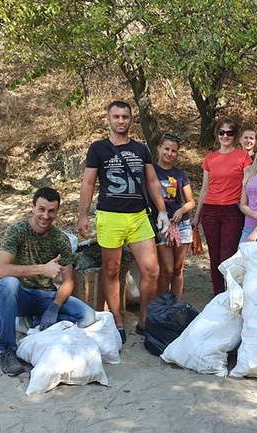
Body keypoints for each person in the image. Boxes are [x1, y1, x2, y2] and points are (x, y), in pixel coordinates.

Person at [77, 100, 170, 342]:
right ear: (108, 119)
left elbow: (152, 182)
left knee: (152, 270)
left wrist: (162, 212)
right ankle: (117, 320)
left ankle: (144, 318)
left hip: (139, 216)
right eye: (116, 116)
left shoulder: (141, 149)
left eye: (125, 117)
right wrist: (83, 214)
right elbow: (88, 183)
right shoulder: (98, 148)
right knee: (111, 270)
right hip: (110, 216)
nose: (121, 121)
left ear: (131, 119)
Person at [0, 187, 97, 376]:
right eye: (41, 209)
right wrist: (41, 269)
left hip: (46, 297)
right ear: (33, 207)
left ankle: (37, 321)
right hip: (21, 295)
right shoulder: (17, 231)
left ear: (57, 212)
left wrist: (55, 307)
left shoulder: (60, 239)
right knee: (8, 284)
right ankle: (7, 350)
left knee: (88, 316)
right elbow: (0, 270)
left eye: (51, 211)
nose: (45, 215)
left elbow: (68, 281)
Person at [192, 117, 251, 294]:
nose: (225, 136)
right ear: (217, 134)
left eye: (230, 133)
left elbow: (246, 185)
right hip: (210, 210)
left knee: (228, 255)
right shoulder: (210, 159)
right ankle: (218, 296)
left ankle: (231, 293)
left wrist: (244, 207)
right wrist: (197, 215)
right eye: (222, 132)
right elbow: (204, 188)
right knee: (214, 257)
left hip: (232, 210)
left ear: (235, 136)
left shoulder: (243, 157)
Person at [153, 133, 195, 299]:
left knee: (178, 269)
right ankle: (162, 304)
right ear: (159, 148)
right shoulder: (150, 171)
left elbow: (191, 201)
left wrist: (181, 211)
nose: (169, 153)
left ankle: (175, 306)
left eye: (174, 151)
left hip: (181, 225)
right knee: (167, 269)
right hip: (161, 225)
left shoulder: (180, 174)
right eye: (167, 149)